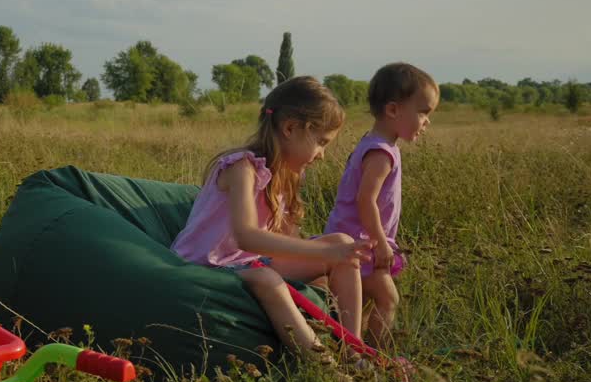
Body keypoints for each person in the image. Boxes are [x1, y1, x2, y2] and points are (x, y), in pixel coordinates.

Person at [171, 76, 371, 354]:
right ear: (290, 128)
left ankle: (354, 353)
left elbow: (285, 239)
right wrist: (322, 255)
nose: (322, 155)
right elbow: (247, 237)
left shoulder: (286, 174)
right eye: (321, 142)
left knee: (340, 242)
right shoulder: (241, 168)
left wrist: (329, 259)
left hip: (248, 262)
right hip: (206, 265)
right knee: (269, 280)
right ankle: (325, 370)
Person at [325, 62, 438, 350]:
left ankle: (354, 347)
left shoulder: (376, 143)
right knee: (388, 299)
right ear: (393, 110)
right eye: (423, 112)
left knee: (361, 302)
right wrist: (381, 244)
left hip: (358, 239)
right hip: (362, 243)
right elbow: (366, 200)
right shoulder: (380, 153)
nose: (427, 121)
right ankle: (374, 356)